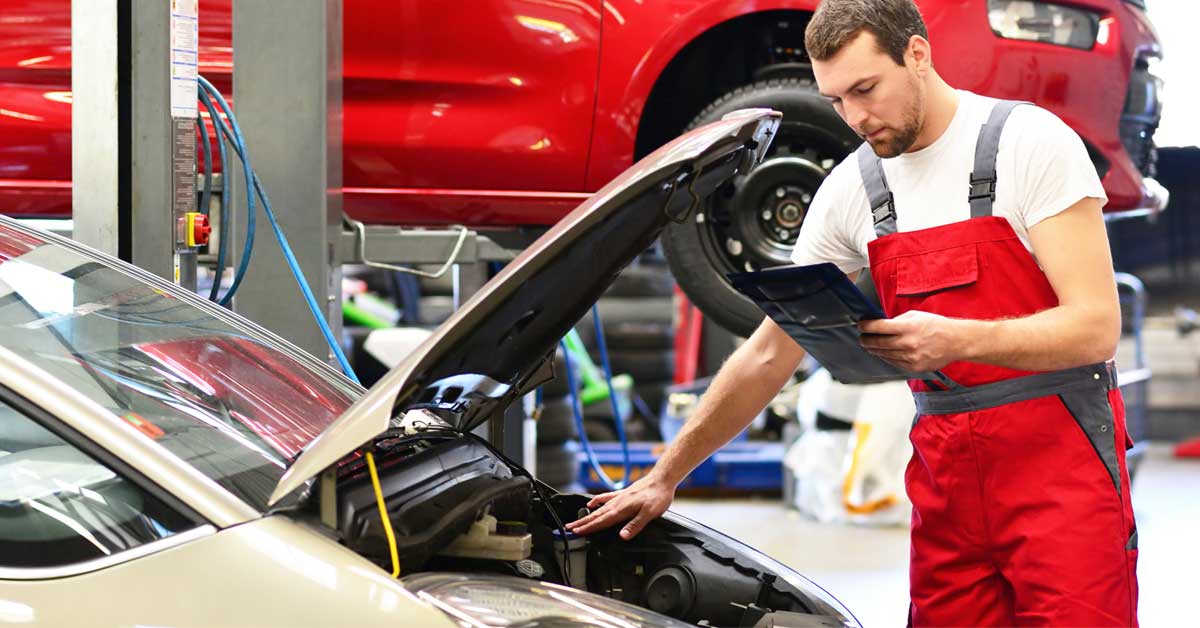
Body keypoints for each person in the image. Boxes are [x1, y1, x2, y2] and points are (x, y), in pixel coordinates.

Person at [566, 0, 1139, 625]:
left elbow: (1095, 328)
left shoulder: (1028, 144)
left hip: (1060, 469)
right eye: (836, 100)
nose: (855, 117)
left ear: (917, 54)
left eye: (866, 89)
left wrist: (957, 339)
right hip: (947, 484)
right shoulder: (852, 189)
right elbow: (768, 353)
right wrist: (663, 476)